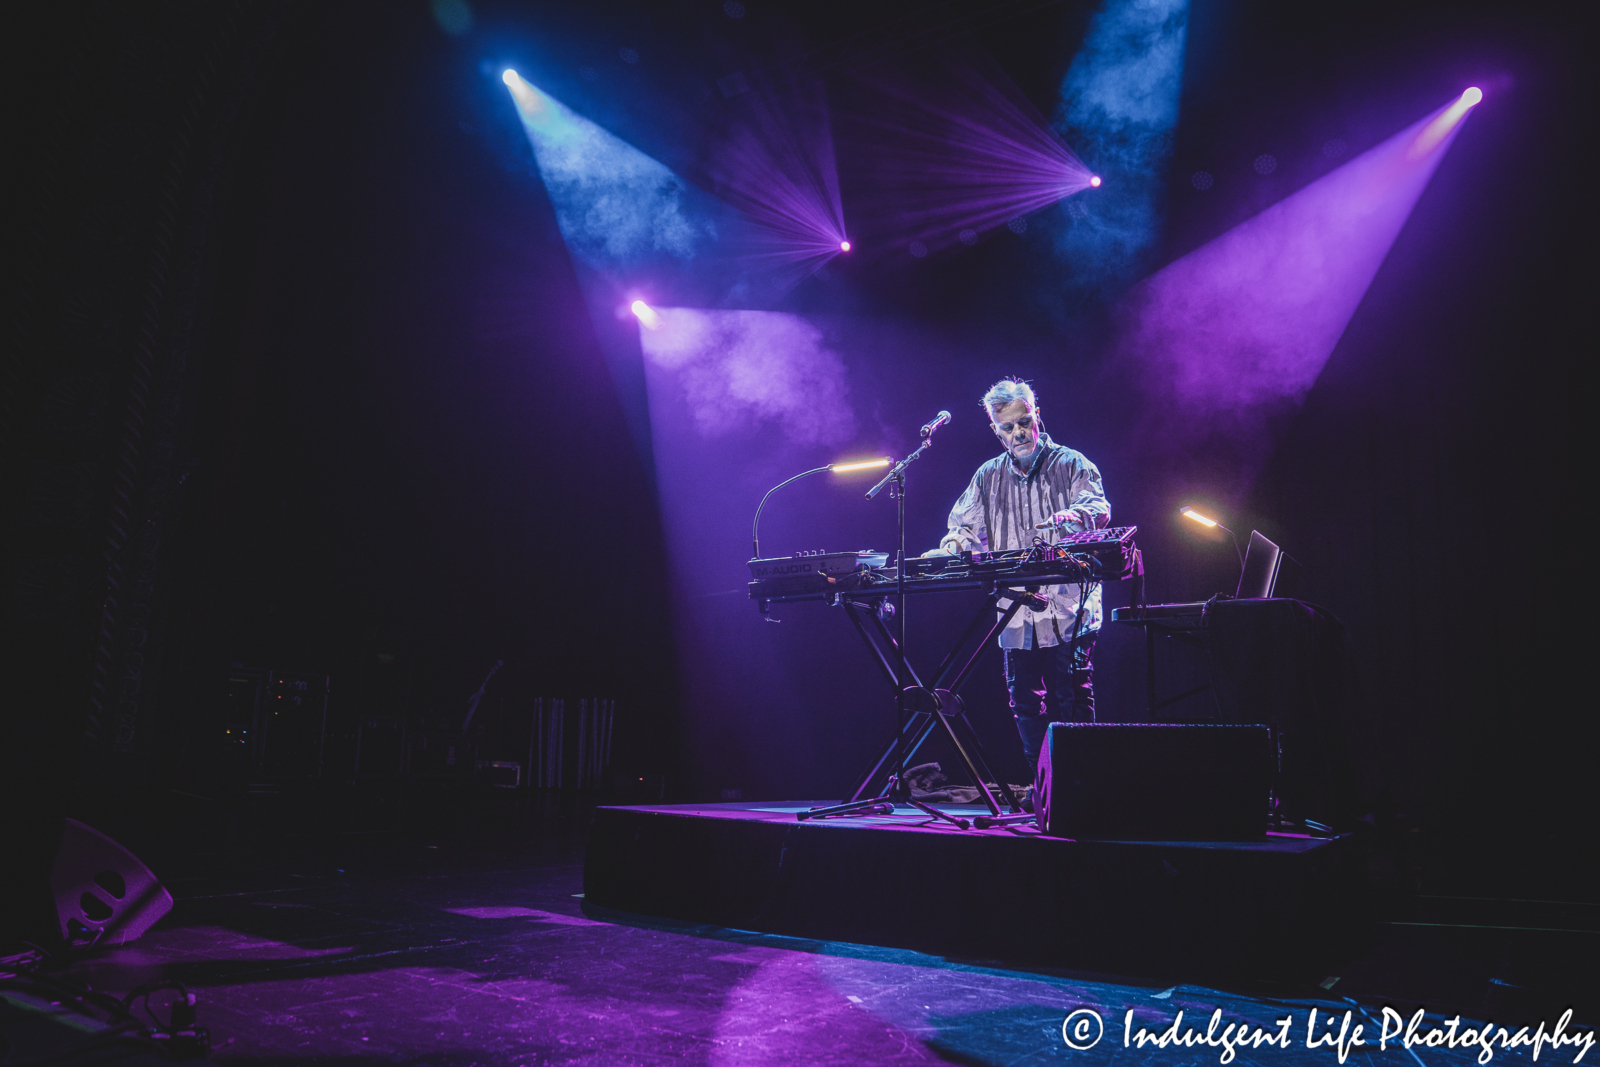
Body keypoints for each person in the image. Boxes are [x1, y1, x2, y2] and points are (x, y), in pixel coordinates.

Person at [926, 378, 1111, 769]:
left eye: (1024, 422)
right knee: (1024, 701)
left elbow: (1097, 507)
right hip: (1016, 608)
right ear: (995, 430)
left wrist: (1070, 517)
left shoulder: (1072, 463)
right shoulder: (987, 476)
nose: (1018, 433)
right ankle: (1044, 785)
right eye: (1008, 427)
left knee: (1070, 696)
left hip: (1069, 605)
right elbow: (964, 527)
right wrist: (953, 545)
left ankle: (1081, 782)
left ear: (1036, 416)